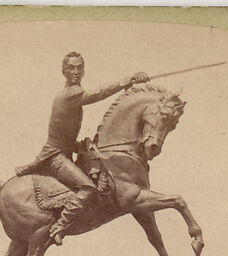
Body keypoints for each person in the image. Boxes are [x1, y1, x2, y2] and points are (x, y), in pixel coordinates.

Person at [18, 52, 149, 243]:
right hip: (56, 156)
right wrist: (128, 80)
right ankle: (59, 226)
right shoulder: (70, 94)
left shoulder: (74, 92)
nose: (75, 72)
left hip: (66, 150)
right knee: (88, 188)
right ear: (63, 71)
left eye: (79, 68)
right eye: (71, 68)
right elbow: (97, 94)